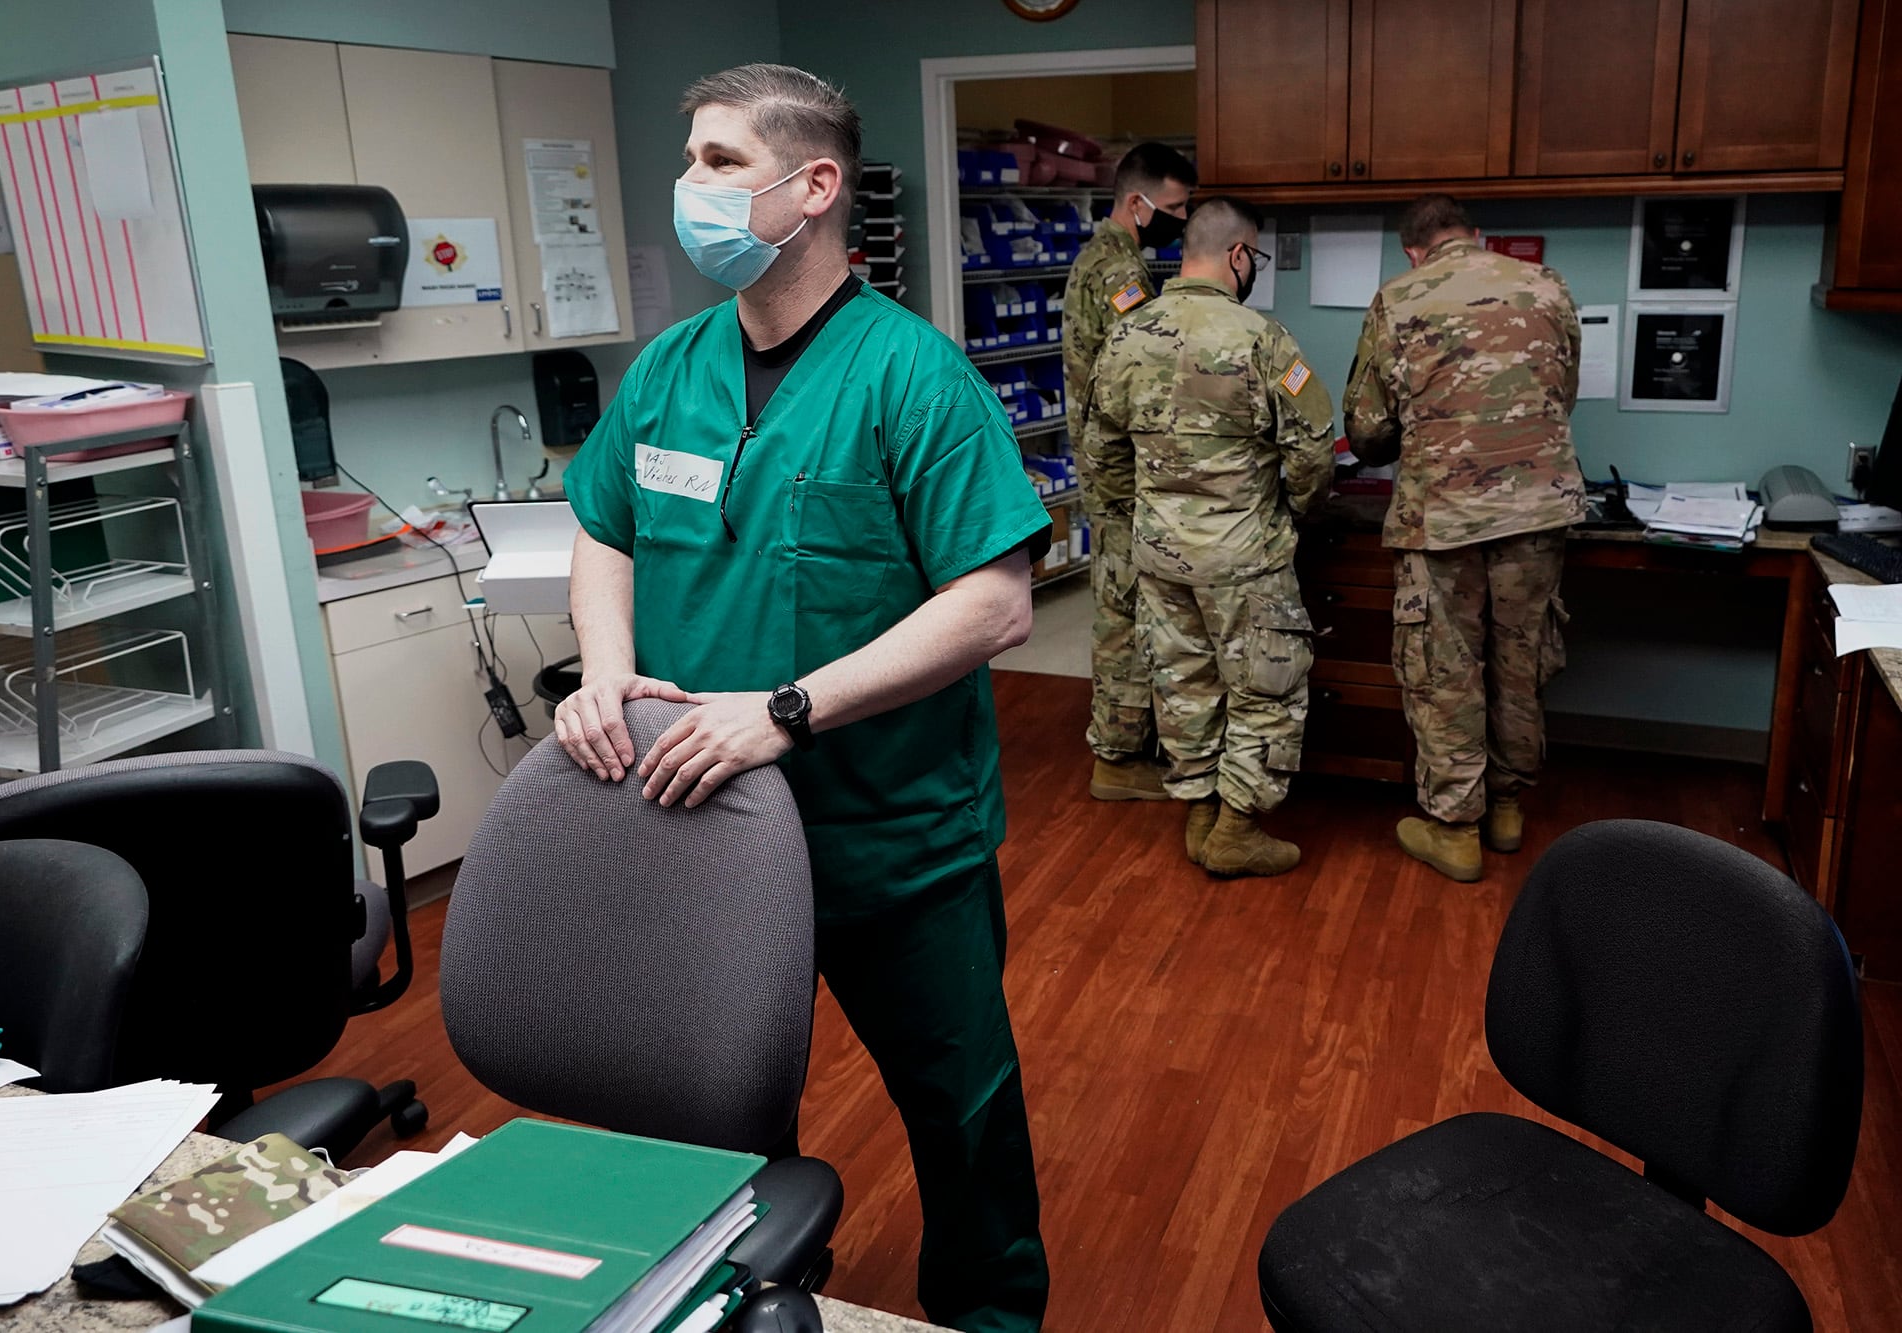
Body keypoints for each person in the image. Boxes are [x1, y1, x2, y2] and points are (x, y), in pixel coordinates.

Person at [553, 64, 1050, 1333]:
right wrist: (605, 664)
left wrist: (781, 711)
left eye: (719, 163)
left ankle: (989, 1317)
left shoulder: (913, 379)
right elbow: (603, 530)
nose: (690, 190)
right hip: (698, 828)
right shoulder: (668, 369)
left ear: (812, 185)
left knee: (961, 1110)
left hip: (890, 836)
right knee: (716, 1108)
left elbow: (991, 603)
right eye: (693, 164)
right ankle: (744, 1302)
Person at [1087, 198, 1333, 877]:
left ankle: (1199, 811)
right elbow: (1312, 450)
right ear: (1238, 254)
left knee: (1183, 683)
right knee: (1265, 688)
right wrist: (1296, 512)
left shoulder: (1128, 335)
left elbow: (1101, 454)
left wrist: (1142, 518)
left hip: (1159, 555)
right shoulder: (1261, 339)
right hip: (1243, 554)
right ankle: (1235, 829)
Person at [1342, 193, 1584, 883]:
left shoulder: (1398, 298)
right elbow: (1559, 396)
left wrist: (1411, 431)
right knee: (1519, 656)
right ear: (1477, 237)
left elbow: (1365, 427)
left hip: (1440, 515)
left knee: (1442, 669)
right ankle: (1505, 808)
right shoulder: (1546, 285)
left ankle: (1453, 827)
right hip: (1539, 509)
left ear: (1412, 251)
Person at [1061, 141, 1197, 803]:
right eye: (1172, 208)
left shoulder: (1103, 256)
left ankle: (1124, 742)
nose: (1179, 219)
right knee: (1122, 608)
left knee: (1121, 600)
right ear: (1137, 202)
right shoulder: (1119, 271)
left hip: (1104, 459)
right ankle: (1116, 755)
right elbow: (1147, 366)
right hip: (1120, 469)